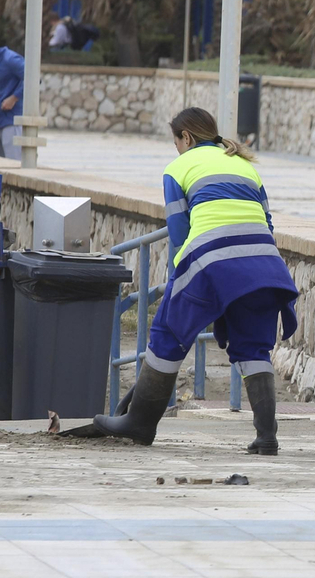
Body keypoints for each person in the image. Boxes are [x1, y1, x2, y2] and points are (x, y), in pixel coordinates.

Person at [94, 108, 299, 453]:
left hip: (209, 258)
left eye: (175, 142)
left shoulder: (178, 168)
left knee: (168, 334)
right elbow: (267, 221)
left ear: (186, 137)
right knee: (253, 347)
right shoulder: (245, 166)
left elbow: (179, 232)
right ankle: (267, 437)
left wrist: (179, 283)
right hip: (266, 263)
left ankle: (140, 422)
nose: (175, 149)